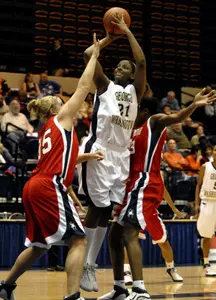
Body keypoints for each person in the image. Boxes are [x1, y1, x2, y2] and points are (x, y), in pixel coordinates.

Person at [0, 33, 100, 300]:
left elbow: (63, 159)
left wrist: (88, 157)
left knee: (39, 246)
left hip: (34, 185)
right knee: (78, 240)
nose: (64, 99)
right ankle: (72, 297)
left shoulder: (48, 129)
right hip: (49, 185)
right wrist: (95, 57)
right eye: (60, 99)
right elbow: (83, 86)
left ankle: (6, 286)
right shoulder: (63, 117)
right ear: (55, 108)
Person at [98, 88, 216, 300]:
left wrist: (194, 105)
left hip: (144, 183)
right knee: (114, 235)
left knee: (131, 234)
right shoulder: (132, 128)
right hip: (131, 185)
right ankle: (119, 289)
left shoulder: (154, 121)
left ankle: (141, 289)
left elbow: (176, 116)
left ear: (143, 110)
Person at [78, 13, 146, 292]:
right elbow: (87, 55)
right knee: (97, 207)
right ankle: (86, 264)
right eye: (116, 65)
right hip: (101, 149)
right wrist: (109, 38)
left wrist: (127, 32)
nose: (119, 68)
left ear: (131, 74)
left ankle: (90, 265)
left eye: (123, 66)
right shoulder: (105, 86)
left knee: (107, 211)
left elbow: (141, 61)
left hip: (121, 156)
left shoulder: (135, 91)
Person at [195, 145, 216, 276]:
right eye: (215, 150)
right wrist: (197, 204)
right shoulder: (205, 166)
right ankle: (206, 263)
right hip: (207, 201)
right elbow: (198, 185)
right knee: (206, 235)